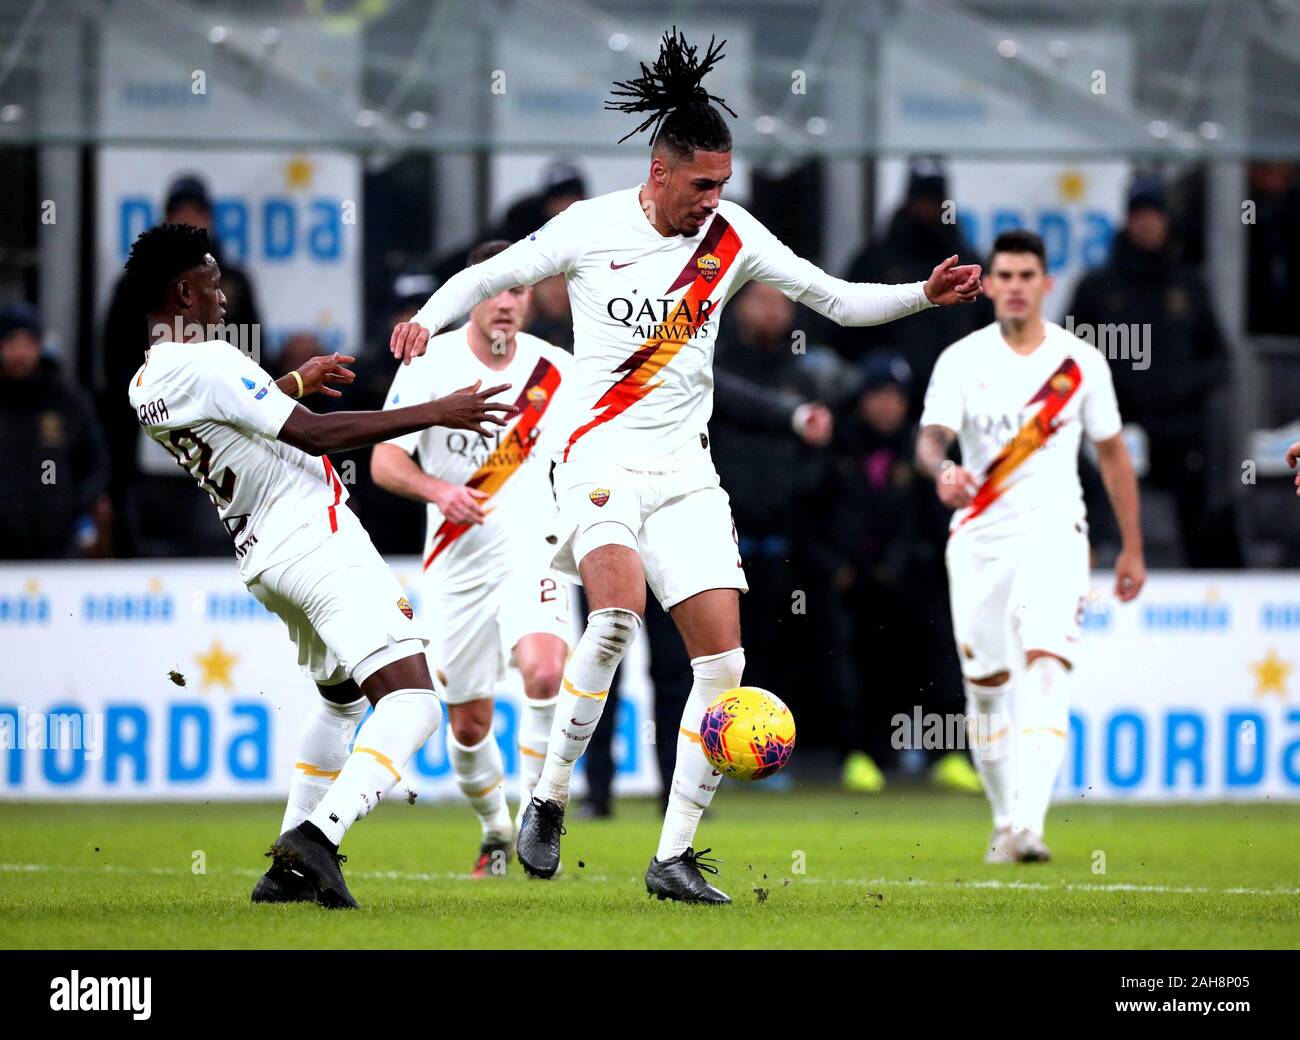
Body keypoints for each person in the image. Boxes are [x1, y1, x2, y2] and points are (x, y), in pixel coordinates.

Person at [390, 28, 981, 904]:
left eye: (724, 185)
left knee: (723, 669)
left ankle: (671, 857)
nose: (714, 199)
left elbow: (838, 300)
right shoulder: (589, 227)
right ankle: (547, 798)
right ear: (660, 172)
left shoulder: (732, 237)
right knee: (619, 617)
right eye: (702, 183)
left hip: (686, 474)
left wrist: (921, 296)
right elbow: (490, 275)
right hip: (596, 458)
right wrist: (425, 325)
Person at [123, 223, 513, 908]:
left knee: (341, 701)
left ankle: (284, 874)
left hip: (263, 558)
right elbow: (313, 433)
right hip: (315, 538)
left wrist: (294, 380)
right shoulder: (210, 358)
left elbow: (237, 416)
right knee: (417, 704)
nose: (224, 300)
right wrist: (436, 411)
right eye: (214, 286)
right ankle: (316, 838)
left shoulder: (147, 381)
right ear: (184, 291)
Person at [916, 229, 1145, 865]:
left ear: (1046, 284)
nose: (1016, 286)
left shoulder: (1080, 364)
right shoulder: (961, 360)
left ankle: (1029, 823)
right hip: (980, 536)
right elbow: (931, 439)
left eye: (1028, 275)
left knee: (1048, 663)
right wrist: (943, 471)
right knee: (986, 686)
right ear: (987, 285)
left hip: (1055, 531)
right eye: (1005, 275)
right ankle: (1003, 821)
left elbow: (1112, 456)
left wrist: (1131, 546)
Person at [371, 240, 574, 878]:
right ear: (471, 295)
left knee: (545, 673)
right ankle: (494, 832)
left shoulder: (556, 371)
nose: (507, 302)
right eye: (495, 289)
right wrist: (438, 490)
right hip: (456, 562)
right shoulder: (431, 364)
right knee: (467, 722)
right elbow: (383, 460)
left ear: (531, 298)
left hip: (533, 549)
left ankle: (540, 823)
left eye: (518, 290)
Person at [1068, 178, 1239, 567]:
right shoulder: (1098, 288)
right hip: (1115, 424)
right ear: (1128, 221)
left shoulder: (1188, 285)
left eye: (1155, 215)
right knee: (1097, 495)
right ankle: (1097, 568)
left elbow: (1218, 357)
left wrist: (1184, 386)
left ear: (1166, 221)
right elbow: (1070, 356)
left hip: (1181, 429)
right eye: (1139, 215)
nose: (1147, 224)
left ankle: (1203, 590)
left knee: (1202, 506)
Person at [101, 175, 263, 555]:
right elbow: (116, 360)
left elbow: (251, 357)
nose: (190, 220)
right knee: (156, 548)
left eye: (197, 212)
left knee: (217, 548)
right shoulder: (133, 286)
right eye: (180, 213)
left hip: (219, 434)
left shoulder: (234, 282)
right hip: (157, 437)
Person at [836, 160, 988, 408]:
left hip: (960, 400)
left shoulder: (969, 264)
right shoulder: (875, 262)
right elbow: (843, 326)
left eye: (933, 201)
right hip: (890, 404)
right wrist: (881, 367)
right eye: (919, 200)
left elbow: (992, 327)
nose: (926, 210)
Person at [0, 303, 111, 559]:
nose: (20, 353)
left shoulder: (65, 400)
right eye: (11, 343)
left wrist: (72, 505)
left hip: (58, 546)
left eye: (28, 343)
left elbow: (96, 460)